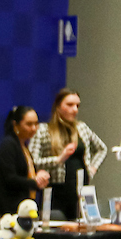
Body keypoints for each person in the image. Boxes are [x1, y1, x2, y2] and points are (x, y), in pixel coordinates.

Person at [29, 88, 106, 220]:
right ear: (58, 107)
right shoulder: (43, 131)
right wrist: (59, 159)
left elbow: (101, 148)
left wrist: (92, 169)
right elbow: (32, 161)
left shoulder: (82, 128)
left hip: (80, 190)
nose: (75, 109)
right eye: (70, 105)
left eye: (77, 105)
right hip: (56, 191)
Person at [0, 105, 49, 216]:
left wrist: (39, 177)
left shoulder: (23, 146)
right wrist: (35, 182)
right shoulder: (8, 145)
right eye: (29, 124)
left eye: (36, 124)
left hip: (20, 207)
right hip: (6, 209)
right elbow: (10, 179)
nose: (34, 128)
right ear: (16, 125)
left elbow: (27, 174)